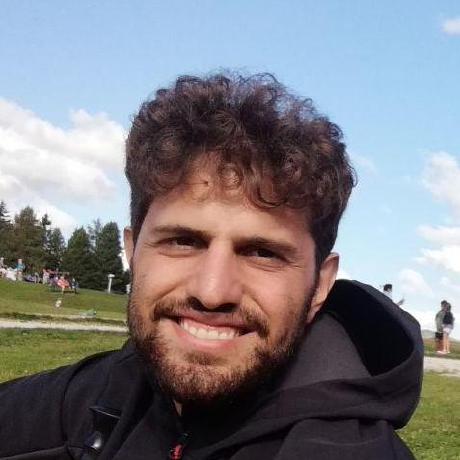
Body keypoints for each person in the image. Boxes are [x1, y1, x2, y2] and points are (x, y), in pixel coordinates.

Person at [0, 73, 423, 459]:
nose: (212, 291)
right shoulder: (101, 390)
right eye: (183, 241)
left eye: (262, 253)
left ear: (320, 284)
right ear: (133, 251)